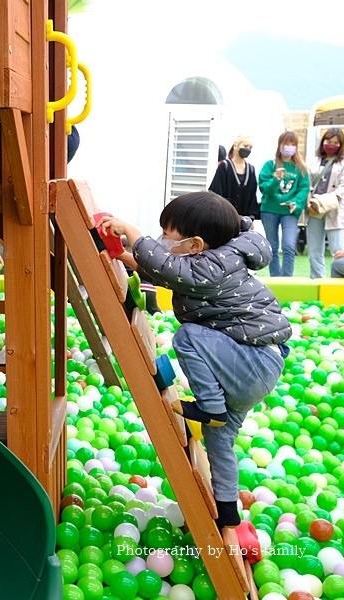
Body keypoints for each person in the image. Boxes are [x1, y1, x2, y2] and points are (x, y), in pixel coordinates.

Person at [99, 192, 291, 529]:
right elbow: (167, 274)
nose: (160, 241)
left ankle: (211, 407)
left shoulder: (215, 266)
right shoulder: (209, 262)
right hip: (252, 363)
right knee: (219, 441)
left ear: (195, 244)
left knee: (188, 336)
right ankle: (227, 508)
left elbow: (172, 269)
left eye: (167, 235)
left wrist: (130, 230)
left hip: (255, 360)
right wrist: (124, 258)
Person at [259, 131, 311, 276]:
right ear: (280, 145)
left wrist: (296, 203)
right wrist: (275, 179)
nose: (289, 147)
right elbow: (264, 188)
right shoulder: (270, 165)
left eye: (292, 144)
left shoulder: (300, 168)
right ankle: (275, 278)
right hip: (269, 210)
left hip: (290, 211)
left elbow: (304, 189)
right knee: (272, 246)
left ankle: (287, 278)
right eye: (286, 144)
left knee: (289, 245)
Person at [306, 128, 344, 278]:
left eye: (335, 143)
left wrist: (324, 201)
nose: (331, 145)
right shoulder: (314, 160)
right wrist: (310, 202)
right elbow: (307, 183)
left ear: (341, 145)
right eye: (328, 141)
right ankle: (317, 280)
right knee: (314, 250)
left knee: (338, 250)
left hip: (334, 208)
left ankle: (339, 281)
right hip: (314, 208)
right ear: (322, 142)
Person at [209, 136, 259, 220]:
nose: (248, 149)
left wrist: (251, 217)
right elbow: (217, 191)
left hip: (244, 218)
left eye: (250, 147)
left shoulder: (251, 169)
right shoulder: (225, 166)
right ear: (235, 146)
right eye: (245, 146)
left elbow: (252, 195)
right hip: (225, 216)